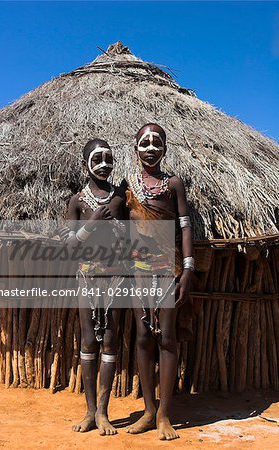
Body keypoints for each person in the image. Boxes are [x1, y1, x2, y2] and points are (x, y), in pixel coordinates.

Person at [125, 123, 194, 441]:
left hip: (168, 268)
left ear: (165, 148)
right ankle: (149, 411)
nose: (151, 147)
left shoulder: (173, 183)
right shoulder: (128, 186)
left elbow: (184, 226)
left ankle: (165, 414)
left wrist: (189, 269)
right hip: (139, 268)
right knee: (142, 335)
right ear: (136, 147)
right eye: (145, 142)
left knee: (166, 337)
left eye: (157, 142)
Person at [64, 138, 127, 436]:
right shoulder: (77, 202)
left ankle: (104, 412)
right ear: (86, 163)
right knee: (89, 342)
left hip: (115, 279)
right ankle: (89, 411)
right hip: (86, 279)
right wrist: (91, 223)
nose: (104, 164)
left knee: (110, 342)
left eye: (108, 159)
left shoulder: (121, 198)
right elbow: (68, 246)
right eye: (97, 159)